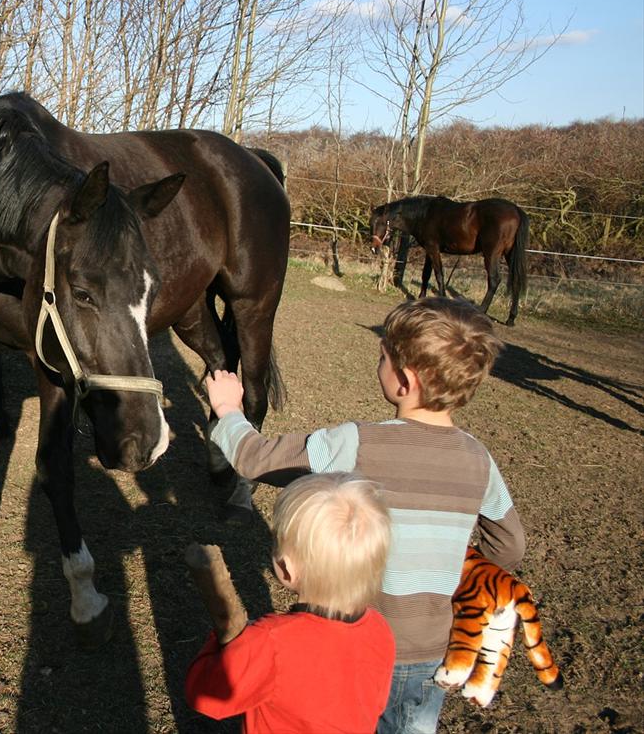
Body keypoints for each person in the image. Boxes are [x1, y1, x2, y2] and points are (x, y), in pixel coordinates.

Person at [205, 296, 526, 734]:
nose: (378, 364)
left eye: (383, 357)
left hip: (356, 639)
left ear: (404, 382)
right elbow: (509, 544)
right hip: (436, 646)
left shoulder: (357, 443)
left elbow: (257, 459)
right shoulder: (479, 459)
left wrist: (228, 411)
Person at [185, 472, 395, 733]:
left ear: (285, 568)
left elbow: (205, 696)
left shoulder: (270, 642)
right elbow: (375, 705)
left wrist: (224, 643)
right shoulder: (380, 630)